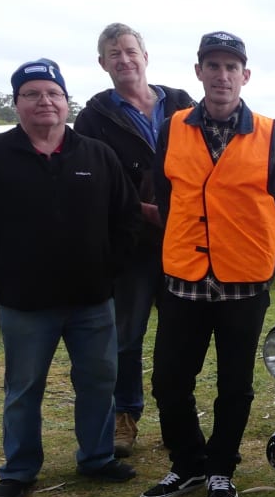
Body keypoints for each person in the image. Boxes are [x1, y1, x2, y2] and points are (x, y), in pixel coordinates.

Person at [0, 59, 142, 497]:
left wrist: (109, 268)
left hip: (92, 300)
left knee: (99, 381)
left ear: (65, 101)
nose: (45, 101)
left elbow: (127, 218)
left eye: (53, 93)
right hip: (25, 303)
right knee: (24, 389)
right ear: (17, 103)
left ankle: (96, 458)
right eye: (33, 94)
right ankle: (19, 470)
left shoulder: (97, 154)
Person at [140, 31, 275, 497]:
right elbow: (167, 197)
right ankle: (188, 462)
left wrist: (254, 251)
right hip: (183, 276)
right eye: (213, 65)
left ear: (245, 76)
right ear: (199, 72)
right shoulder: (173, 127)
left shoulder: (272, 134)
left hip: (244, 281)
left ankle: (221, 469)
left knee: (234, 382)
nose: (222, 75)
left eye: (232, 67)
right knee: (169, 378)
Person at [74, 23, 196, 458]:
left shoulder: (181, 102)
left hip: (184, 243)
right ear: (102, 63)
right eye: (114, 53)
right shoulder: (93, 117)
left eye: (130, 50)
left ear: (146, 56)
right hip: (131, 248)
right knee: (126, 337)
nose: (124, 59)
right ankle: (125, 415)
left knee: (180, 334)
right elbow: (93, 184)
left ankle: (177, 417)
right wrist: (146, 212)